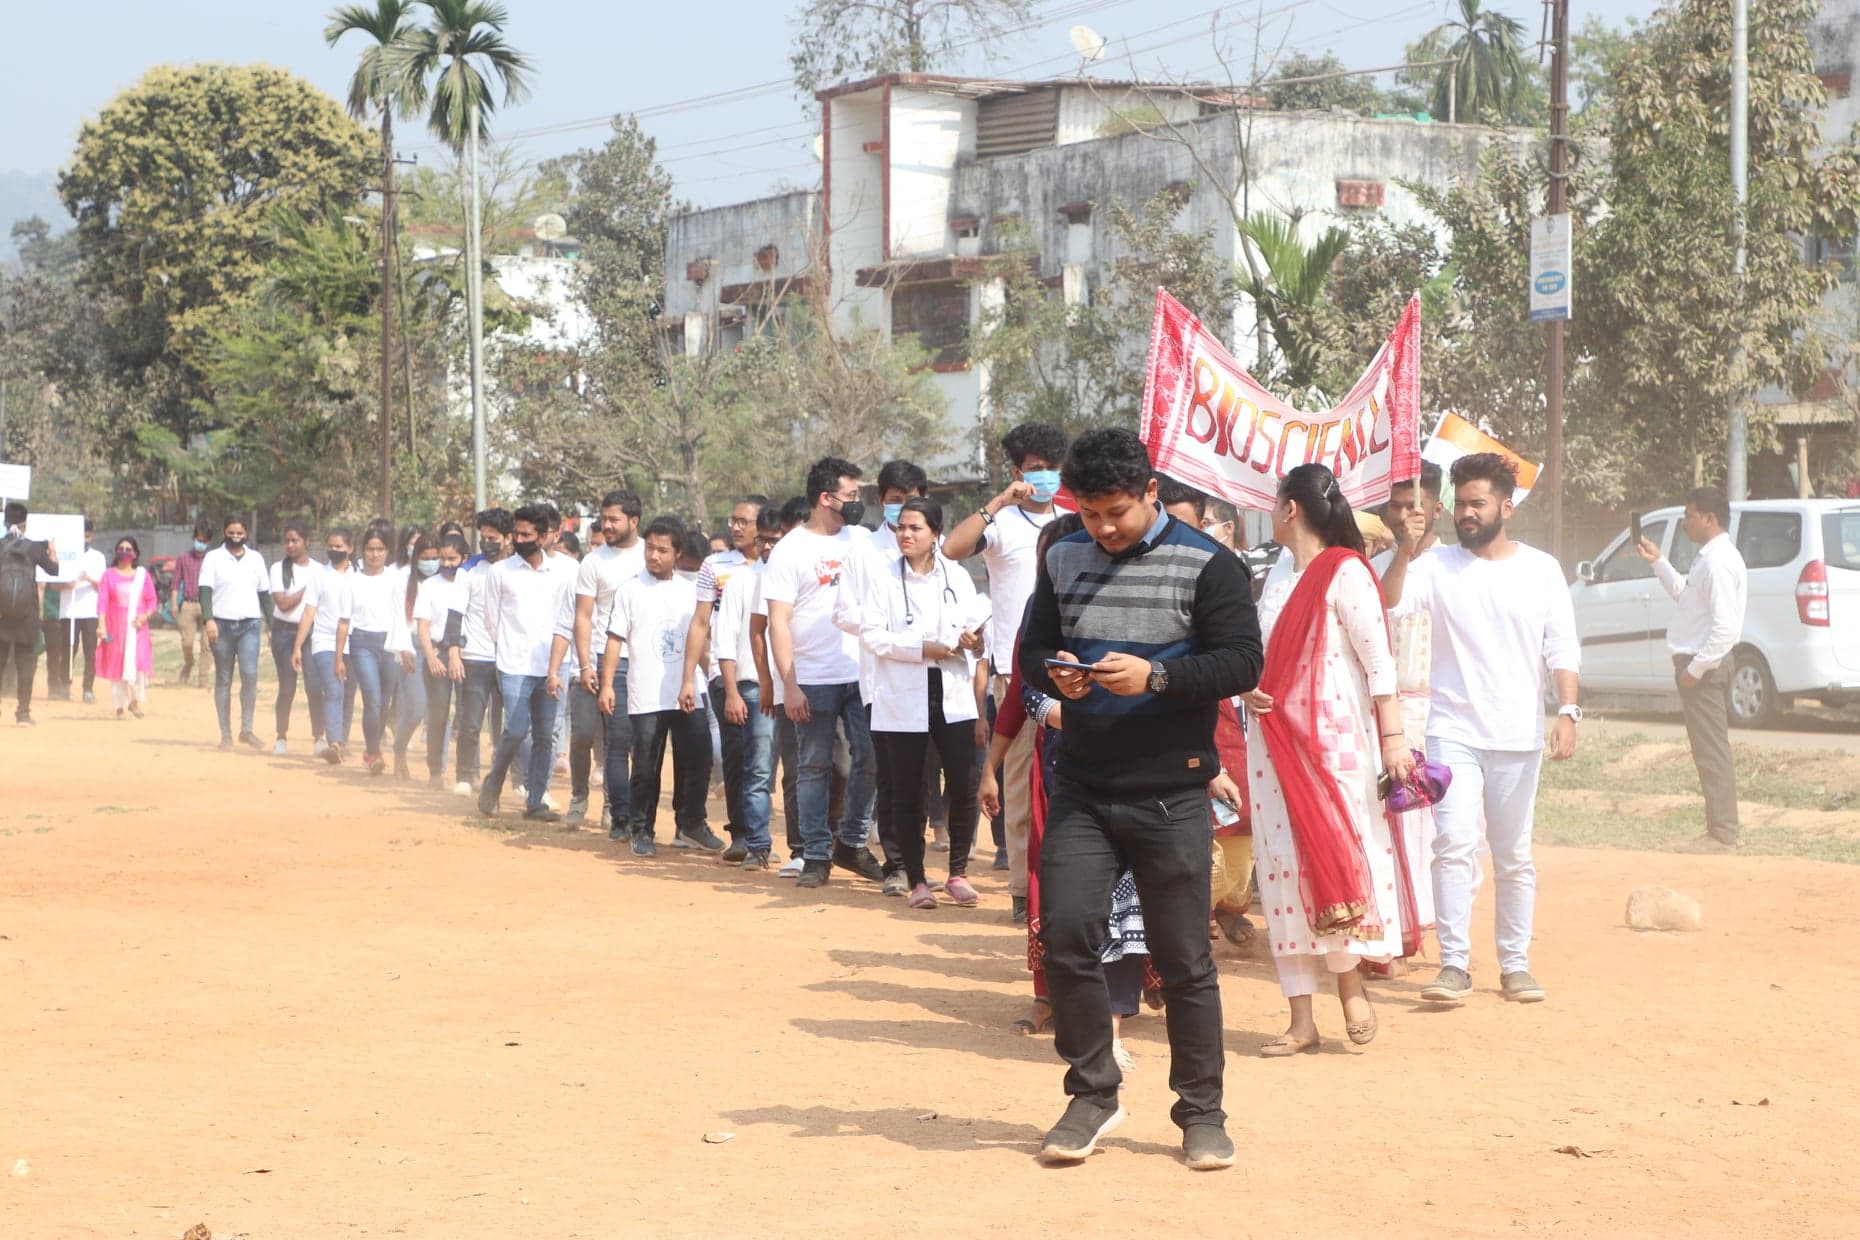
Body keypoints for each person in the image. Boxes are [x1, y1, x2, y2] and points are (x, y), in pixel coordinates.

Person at [1019, 426, 1262, 1172]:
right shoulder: (1061, 557)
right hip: (1082, 785)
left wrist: (1157, 678)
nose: (1102, 528)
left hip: (1172, 792)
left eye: (1116, 512)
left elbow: (1242, 662)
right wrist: (1056, 673)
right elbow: (1031, 649)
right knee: (1065, 936)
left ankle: (1201, 1113)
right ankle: (1094, 1093)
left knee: (1184, 959)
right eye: (1089, 514)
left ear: (1151, 492)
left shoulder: (1211, 564)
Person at [1380, 452, 1582, 1007]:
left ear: (1506, 508)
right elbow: (1389, 603)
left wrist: (1568, 711)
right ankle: (1453, 965)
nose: (1466, 513)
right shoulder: (1435, 566)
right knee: (1453, 842)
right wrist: (1405, 549)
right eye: (1460, 504)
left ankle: (1515, 965)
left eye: (1478, 504)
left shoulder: (1541, 569)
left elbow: (1562, 645)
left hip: (1518, 734)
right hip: (1453, 731)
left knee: (1513, 854)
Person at [1245, 464, 1415, 1057]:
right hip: (1272, 744)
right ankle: (1300, 1019)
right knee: (1283, 868)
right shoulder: (1276, 577)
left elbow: (1379, 664)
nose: (1271, 510)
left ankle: (1349, 986)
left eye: (1274, 502)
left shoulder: (1346, 572)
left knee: (1336, 856)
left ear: (1289, 509)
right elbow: (1261, 654)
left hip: (1335, 744)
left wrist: (1394, 740)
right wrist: (1248, 689)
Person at [943, 421, 1068, 917]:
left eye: (1052, 468)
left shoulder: (1072, 520)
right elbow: (952, 549)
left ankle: (1061, 887)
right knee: (1019, 783)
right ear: (1019, 473)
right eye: (1036, 469)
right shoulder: (1001, 523)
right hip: (1015, 672)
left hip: (1069, 668)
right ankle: (1021, 889)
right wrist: (997, 502)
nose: (1045, 477)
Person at [856, 498, 988, 908]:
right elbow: (871, 635)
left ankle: (958, 873)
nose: (906, 535)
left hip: (953, 693)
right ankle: (916, 880)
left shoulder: (957, 576)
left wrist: (974, 641)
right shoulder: (883, 578)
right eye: (901, 527)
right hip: (902, 694)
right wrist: (921, 648)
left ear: (935, 533)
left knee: (964, 784)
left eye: (915, 528)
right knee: (907, 789)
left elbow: (976, 635)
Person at [763, 457, 883, 890]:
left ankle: (851, 842)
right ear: (826, 498)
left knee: (871, 757)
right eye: (851, 495)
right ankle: (815, 853)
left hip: (863, 672)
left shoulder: (864, 541)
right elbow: (777, 622)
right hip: (812, 676)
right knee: (813, 767)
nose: (857, 502)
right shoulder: (790, 549)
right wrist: (789, 684)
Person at [832, 459, 940, 892]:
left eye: (912, 501)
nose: (904, 512)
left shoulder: (939, 553)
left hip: (931, 679)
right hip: (882, 680)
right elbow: (844, 613)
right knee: (890, 772)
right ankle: (897, 865)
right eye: (896, 501)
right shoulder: (863, 552)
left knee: (922, 776)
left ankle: (916, 864)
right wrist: (891, 628)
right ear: (881, 501)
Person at [596, 516, 721, 855]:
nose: (653, 555)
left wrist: (712, 679)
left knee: (699, 757)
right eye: (649, 548)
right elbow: (614, 640)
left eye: (662, 550)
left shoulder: (691, 591)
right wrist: (608, 685)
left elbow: (702, 639)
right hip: (646, 694)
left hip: (687, 691)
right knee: (646, 765)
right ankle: (641, 830)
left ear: (677, 553)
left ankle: (690, 824)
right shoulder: (630, 590)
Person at [1638, 484, 1748, 854]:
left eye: (1689, 516)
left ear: (1709, 519)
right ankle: (1720, 830)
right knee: (1707, 750)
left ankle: (1723, 834)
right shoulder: (1709, 558)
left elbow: (1725, 629)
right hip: (1699, 667)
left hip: (1704, 669)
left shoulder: (1718, 562)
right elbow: (1687, 597)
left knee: (1712, 751)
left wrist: (1695, 671)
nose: (1685, 523)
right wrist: (1658, 562)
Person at [1375, 463, 1446, 940]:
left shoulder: (1454, 565)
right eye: (1395, 507)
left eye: (1413, 507)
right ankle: (1401, 928)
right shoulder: (1376, 566)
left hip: (1441, 712)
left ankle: (1439, 923)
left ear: (1436, 509)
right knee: (1393, 819)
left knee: (1441, 825)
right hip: (1388, 712)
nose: (1403, 516)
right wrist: (1402, 551)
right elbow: (1387, 603)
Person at [680, 495, 764, 856]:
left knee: (766, 759)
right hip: (724, 672)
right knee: (737, 754)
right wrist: (689, 677)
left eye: (744, 521)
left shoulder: (777, 564)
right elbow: (700, 621)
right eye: (733, 520)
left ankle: (772, 835)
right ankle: (743, 835)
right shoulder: (714, 565)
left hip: (771, 674)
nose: (736, 527)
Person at [477, 505, 570, 823]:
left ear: (543, 537)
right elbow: (491, 620)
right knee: (516, 730)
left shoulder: (560, 573)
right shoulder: (500, 572)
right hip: (514, 664)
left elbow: (565, 621)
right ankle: (493, 783)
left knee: (545, 736)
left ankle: (536, 800)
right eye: (516, 533)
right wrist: (507, 649)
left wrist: (556, 666)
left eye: (526, 534)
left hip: (551, 666)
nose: (518, 539)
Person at [712, 505, 781, 869]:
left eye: (775, 540)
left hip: (797, 686)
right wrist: (732, 692)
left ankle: (807, 849)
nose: (768, 547)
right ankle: (757, 844)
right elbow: (724, 640)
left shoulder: (798, 579)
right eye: (764, 540)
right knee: (757, 769)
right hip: (753, 687)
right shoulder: (740, 581)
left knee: (800, 770)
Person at [572, 491, 644, 835]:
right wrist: (586, 665)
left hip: (643, 660)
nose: (607, 526)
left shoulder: (650, 555)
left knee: (632, 741)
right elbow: (583, 616)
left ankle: (623, 809)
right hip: (604, 659)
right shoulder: (593, 562)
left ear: (634, 520)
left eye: (614, 519)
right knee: (596, 736)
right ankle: (598, 806)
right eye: (603, 519)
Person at [449, 508, 515, 794]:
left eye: (493, 538)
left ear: (508, 538)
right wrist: (454, 653)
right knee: (471, 722)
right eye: (483, 537)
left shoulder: (518, 569)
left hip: (510, 659)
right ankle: (466, 776)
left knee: (513, 725)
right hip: (475, 657)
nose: (486, 543)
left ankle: (518, 780)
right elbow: (455, 615)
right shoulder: (468, 570)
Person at [334, 527, 403, 777]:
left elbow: (403, 616)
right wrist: (338, 658)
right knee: (372, 699)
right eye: (370, 549)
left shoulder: (396, 579)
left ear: (387, 551)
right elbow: (344, 621)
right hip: (362, 642)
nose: (375, 554)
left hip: (391, 643)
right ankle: (373, 753)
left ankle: (372, 747)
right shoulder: (352, 581)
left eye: (380, 549)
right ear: (363, 551)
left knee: (384, 702)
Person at [200, 516, 271, 751]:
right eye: (231, 532)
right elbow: (205, 590)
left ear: (246, 533)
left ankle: (246, 729)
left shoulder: (256, 558)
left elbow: (264, 594)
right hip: (221, 625)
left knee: (250, 674)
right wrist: (208, 619)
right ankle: (226, 734)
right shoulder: (213, 557)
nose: (235, 536)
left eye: (239, 533)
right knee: (223, 678)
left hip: (249, 625)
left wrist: (271, 625)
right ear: (224, 532)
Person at [294, 528, 356, 764]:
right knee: (333, 689)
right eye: (331, 546)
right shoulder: (319, 575)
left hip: (354, 641)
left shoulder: (358, 575)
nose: (334, 550)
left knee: (348, 694)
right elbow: (309, 611)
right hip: (324, 640)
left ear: (350, 548)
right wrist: (298, 646)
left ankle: (342, 741)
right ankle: (334, 743)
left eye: (339, 546)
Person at [417, 533, 470, 788]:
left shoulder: (470, 583)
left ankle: (467, 773)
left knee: (467, 717)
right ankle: (435, 771)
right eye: (443, 559)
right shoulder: (430, 585)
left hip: (466, 656)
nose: (447, 564)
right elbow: (423, 626)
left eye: (452, 559)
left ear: (464, 558)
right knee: (438, 716)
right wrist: (430, 658)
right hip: (438, 654)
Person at [1, 501, 60, 726]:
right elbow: (54, 570)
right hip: (27, 616)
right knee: (25, 664)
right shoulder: (34, 548)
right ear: (25, 524)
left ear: (5, 522)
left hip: (1, 615)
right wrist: (52, 551)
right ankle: (23, 713)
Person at [267, 525, 318, 756]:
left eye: (295, 540)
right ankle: (281, 735)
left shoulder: (319, 569)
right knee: (287, 687)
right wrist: (308, 590)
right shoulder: (278, 568)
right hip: (284, 632)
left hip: (312, 632)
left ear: (306, 541)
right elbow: (283, 604)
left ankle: (319, 737)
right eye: (287, 541)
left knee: (314, 686)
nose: (290, 545)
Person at [97, 535, 158, 719]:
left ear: (135, 554)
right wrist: (101, 626)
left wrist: (144, 616)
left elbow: (152, 600)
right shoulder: (109, 575)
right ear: (116, 552)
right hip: (116, 628)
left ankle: (134, 701)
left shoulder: (142, 576)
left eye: (128, 549)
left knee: (139, 662)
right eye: (121, 548)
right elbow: (102, 602)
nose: (124, 552)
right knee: (117, 665)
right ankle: (119, 706)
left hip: (137, 628)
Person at [47, 516, 105, 704]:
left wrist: (89, 579)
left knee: (90, 651)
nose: (84, 540)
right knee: (68, 650)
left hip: (90, 612)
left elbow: (103, 586)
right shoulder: (65, 555)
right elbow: (53, 584)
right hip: (69, 611)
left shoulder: (98, 557)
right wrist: (67, 585)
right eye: (81, 536)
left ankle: (88, 689)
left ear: (91, 536)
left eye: (87, 536)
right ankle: (65, 686)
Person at [172, 519, 213, 686]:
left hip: (207, 604)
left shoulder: (212, 559)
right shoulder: (183, 558)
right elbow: (175, 583)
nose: (200, 544)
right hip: (188, 603)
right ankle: (189, 663)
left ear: (208, 542)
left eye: (204, 541)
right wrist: (174, 604)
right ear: (193, 538)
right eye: (198, 540)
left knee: (207, 643)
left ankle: (203, 679)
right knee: (187, 642)